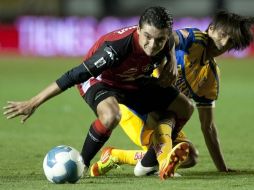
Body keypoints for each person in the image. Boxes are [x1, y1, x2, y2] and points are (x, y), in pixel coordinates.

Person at [3, 6, 194, 180]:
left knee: (184, 107)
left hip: (134, 80)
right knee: (111, 116)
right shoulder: (115, 49)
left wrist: (170, 60)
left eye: (159, 39)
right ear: (138, 29)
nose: (152, 45)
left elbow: (171, 41)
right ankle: (82, 163)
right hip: (102, 81)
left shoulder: (164, 38)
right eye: (147, 37)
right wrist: (33, 103)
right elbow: (73, 75)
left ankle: (148, 163)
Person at [90, 10, 254, 177]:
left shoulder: (211, 75)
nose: (224, 43)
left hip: (163, 119)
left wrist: (222, 169)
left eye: (231, 41)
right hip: (135, 107)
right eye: (223, 34)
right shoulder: (194, 39)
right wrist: (170, 63)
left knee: (190, 156)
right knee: (167, 121)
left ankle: (117, 156)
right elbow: (168, 38)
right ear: (211, 28)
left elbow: (208, 126)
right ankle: (160, 163)